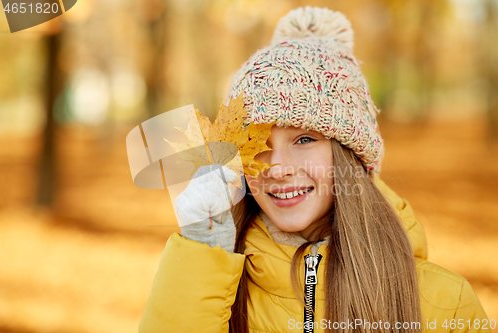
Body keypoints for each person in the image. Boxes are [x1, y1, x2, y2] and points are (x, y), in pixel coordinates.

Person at [138, 7, 489, 333]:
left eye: (304, 139)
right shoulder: (214, 289)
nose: (276, 167)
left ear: (350, 156)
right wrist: (203, 257)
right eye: (257, 145)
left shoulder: (446, 304)